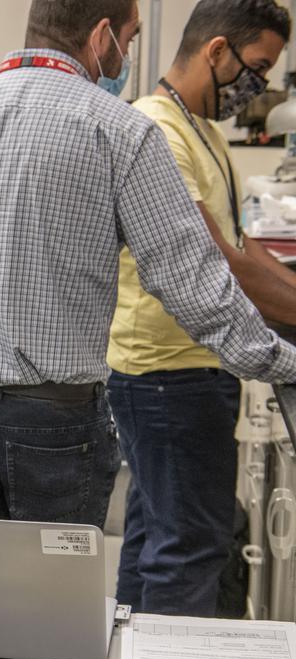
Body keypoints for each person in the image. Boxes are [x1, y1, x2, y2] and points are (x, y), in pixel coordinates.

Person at [0, 0, 296, 531]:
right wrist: (282, 362)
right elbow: (194, 285)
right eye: (130, 39)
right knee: (52, 603)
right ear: (101, 36)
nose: (129, 55)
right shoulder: (122, 133)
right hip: (52, 422)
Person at [108, 0, 296, 616]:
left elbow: (244, 247)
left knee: (153, 539)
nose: (259, 87)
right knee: (190, 547)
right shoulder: (156, 128)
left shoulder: (206, 133)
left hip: (188, 369)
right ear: (218, 51)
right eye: (258, 67)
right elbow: (216, 261)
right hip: (165, 374)